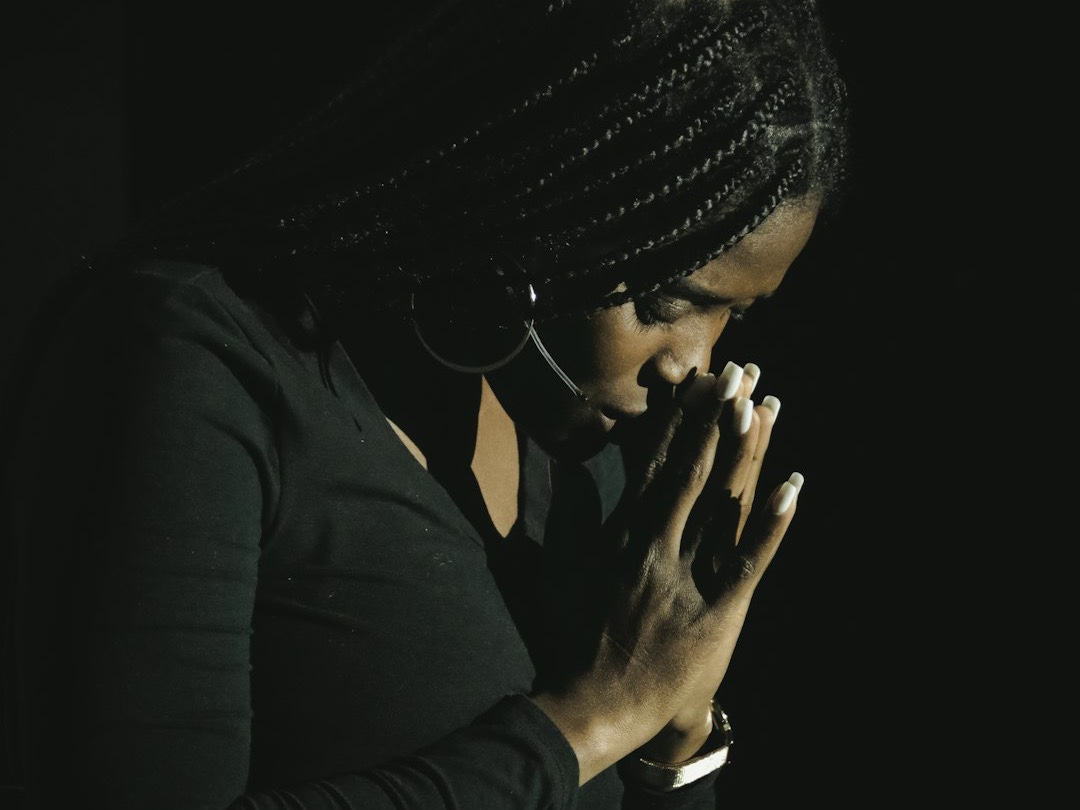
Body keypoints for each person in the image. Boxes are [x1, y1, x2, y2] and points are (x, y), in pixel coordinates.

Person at [0, 0, 849, 807]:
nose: (693, 367)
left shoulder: (582, 464)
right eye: (666, 300)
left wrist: (677, 724)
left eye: (734, 315)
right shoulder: (191, 359)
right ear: (540, 197)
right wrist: (602, 715)